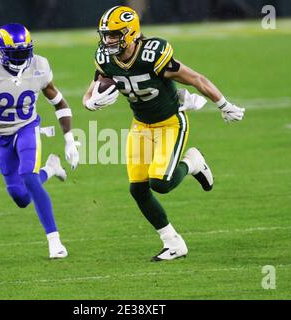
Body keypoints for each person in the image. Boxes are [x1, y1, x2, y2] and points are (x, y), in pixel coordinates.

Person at [82, 6, 245, 261]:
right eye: (106, 35)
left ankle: (193, 162)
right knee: (137, 189)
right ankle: (173, 243)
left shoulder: (152, 54)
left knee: (161, 183)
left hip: (170, 123)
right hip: (141, 126)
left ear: (131, 32)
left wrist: (223, 104)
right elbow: (93, 88)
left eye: (115, 34)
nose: (109, 40)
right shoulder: (105, 57)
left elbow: (195, 78)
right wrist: (89, 102)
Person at [0, 23, 79, 259]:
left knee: (28, 175)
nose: (21, 58)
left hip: (28, 128)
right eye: (15, 53)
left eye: (24, 51)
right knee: (21, 197)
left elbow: (60, 103)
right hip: (1, 135)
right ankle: (50, 169)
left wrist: (69, 139)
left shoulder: (39, 65)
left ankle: (55, 241)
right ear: (1, 51)